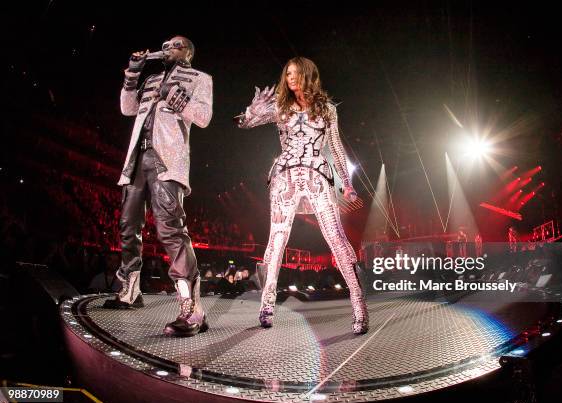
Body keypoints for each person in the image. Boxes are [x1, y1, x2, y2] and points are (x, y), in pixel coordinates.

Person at [235, 57, 368, 334]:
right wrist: (252, 110)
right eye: (287, 73)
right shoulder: (280, 108)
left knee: (335, 236)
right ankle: (267, 305)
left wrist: (347, 182)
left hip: (317, 174)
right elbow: (244, 124)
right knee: (277, 239)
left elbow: (336, 147)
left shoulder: (327, 109)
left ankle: (358, 304)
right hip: (284, 176)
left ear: (308, 75)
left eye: (296, 73)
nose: (291, 78)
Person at [103, 36, 213, 337]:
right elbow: (128, 109)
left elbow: (203, 117)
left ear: (187, 52)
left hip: (168, 161)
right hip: (137, 159)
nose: (167, 48)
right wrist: (133, 73)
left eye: (174, 45)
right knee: (127, 225)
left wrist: (176, 96)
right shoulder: (150, 77)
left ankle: (193, 311)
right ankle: (130, 292)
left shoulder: (199, 78)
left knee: (170, 230)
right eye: (164, 45)